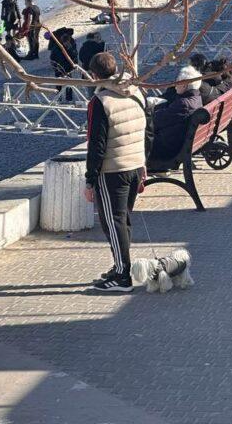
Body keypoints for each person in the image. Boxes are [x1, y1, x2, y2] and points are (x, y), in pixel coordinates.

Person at [83, 51, 151, 292]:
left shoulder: (100, 102)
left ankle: (122, 276)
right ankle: (121, 265)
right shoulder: (135, 92)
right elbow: (147, 130)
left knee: (113, 222)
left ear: (94, 75)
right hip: (134, 165)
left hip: (112, 170)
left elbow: (96, 144)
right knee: (122, 220)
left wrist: (90, 180)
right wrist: (143, 162)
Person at [149, 65, 204, 162]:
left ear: (184, 84)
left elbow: (156, 121)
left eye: (177, 81)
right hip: (179, 142)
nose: (175, 85)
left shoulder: (184, 104)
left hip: (166, 149)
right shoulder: (196, 98)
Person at [48, 27, 78, 102]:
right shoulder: (56, 47)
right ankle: (59, 98)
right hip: (59, 67)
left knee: (68, 83)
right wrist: (55, 66)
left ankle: (68, 98)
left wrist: (69, 49)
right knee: (59, 83)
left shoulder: (71, 43)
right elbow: (52, 57)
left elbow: (75, 55)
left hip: (68, 67)